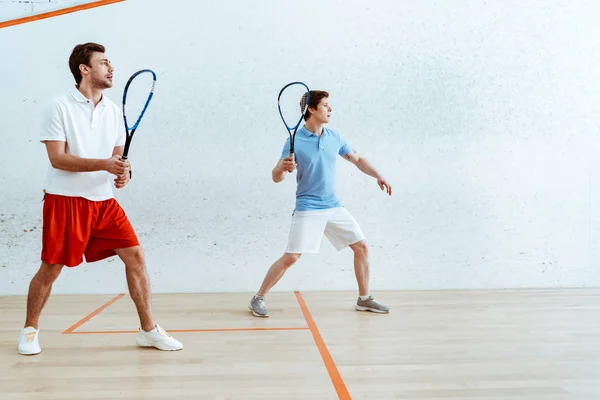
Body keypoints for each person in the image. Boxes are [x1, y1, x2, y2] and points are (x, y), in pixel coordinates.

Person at [17, 42, 182, 355]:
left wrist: (123, 172)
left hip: (103, 202)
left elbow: (116, 158)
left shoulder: (113, 111)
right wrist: (105, 165)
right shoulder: (58, 106)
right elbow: (58, 159)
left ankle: (148, 330)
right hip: (65, 200)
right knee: (51, 268)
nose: (111, 68)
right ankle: (29, 329)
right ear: (84, 69)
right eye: (104, 63)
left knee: (135, 256)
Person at [248, 90, 392, 317]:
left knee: (361, 246)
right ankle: (258, 298)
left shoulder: (334, 136)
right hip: (308, 207)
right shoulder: (294, 140)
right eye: (325, 105)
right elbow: (276, 177)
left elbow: (358, 159)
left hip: (333, 206)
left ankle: (364, 299)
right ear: (311, 110)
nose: (330, 109)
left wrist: (378, 175)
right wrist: (282, 168)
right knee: (291, 258)